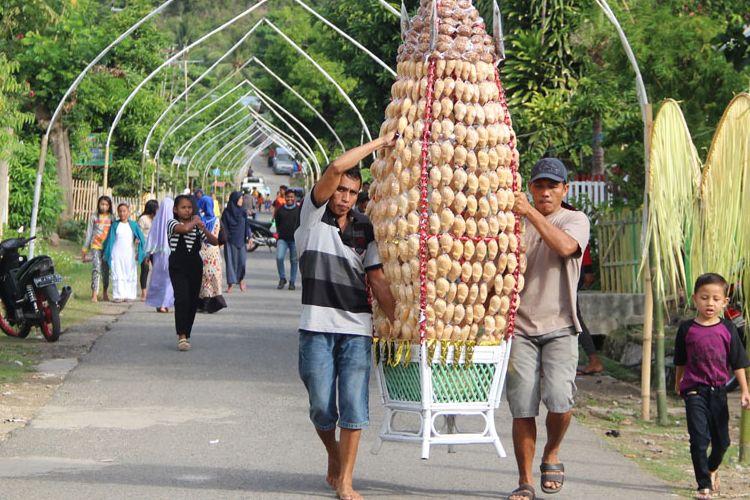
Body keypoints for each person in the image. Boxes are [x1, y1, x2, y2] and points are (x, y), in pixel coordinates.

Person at [295, 132, 397, 500]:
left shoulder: (364, 227)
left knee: (353, 405)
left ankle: (346, 480)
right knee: (322, 406)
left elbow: (377, 279)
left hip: (356, 329)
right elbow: (337, 165)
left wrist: (398, 322)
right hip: (316, 328)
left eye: (352, 193)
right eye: (341, 190)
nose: (345, 198)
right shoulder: (312, 215)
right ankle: (333, 456)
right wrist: (381, 142)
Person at [505, 157, 590, 500]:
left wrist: (530, 214)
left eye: (552, 186)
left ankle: (552, 451)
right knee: (523, 406)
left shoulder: (575, 219)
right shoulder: (515, 222)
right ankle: (525, 481)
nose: (545, 192)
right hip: (520, 328)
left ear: (564, 189)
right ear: (530, 188)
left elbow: (567, 248)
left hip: (561, 325)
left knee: (559, 399)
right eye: (538, 186)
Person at [674, 273, 750, 500]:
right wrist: (679, 383)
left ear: (725, 302)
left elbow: (738, 362)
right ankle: (703, 485)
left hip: (719, 391)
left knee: (722, 442)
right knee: (698, 439)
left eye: (716, 298)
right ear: (694, 298)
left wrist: (745, 390)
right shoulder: (687, 329)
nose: (710, 303)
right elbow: (680, 360)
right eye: (704, 297)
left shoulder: (728, 329)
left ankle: (712, 467)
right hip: (694, 390)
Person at [167, 194, 219, 351]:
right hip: (177, 265)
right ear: (175, 209)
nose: (187, 210)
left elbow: (214, 241)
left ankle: (187, 333)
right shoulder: (172, 223)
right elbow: (183, 229)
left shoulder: (196, 226)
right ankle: (181, 335)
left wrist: (203, 228)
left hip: (195, 266)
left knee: (192, 301)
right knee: (181, 298)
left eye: (189, 207)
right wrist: (195, 222)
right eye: (183, 207)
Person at [103, 203, 147, 303]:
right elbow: (110, 239)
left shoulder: (134, 225)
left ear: (129, 212)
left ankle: (130, 295)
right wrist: (107, 252)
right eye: (120, 211)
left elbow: (139, 238)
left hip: (129, 253)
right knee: (117, 271)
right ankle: (118, 295)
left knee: (129, 272)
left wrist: (137, 242)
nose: (122, 213)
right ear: (118, 213)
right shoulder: (115, 225)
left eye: (124, 211)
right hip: (117, 253)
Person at [196, 194, 226, 313]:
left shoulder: (198, 220)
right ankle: (211, 304)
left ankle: (200, 304)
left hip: (200, 253)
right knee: (213, 278)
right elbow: (223, 238)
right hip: (213, 254)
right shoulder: (217, 221)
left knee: (201, 279)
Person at [82, 195, 114, 303]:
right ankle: (94, 294)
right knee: (96, 269)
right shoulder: (94, 217)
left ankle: (105, 292)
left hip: (107, 248)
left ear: (109, 206)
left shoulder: (112, 218)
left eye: (106, 205)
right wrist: (85, 249)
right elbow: (89, 233)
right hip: (95, 246)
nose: (104, 207)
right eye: (102, 204)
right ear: (98, 204)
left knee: (106, 271)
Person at [145, 197, 175, 314]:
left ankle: (159, 303)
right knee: (169, 280)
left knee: (158, 279)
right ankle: (164, 304)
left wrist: (148, 254)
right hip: (171, 254)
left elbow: (151, 240)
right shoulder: (174, 221)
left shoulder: (156, 221)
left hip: (158, 256)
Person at [221, 191, 251, 293]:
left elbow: (247, 225)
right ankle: (230, 284)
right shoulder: (226, 212)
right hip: (229, 241)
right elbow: (223, 227)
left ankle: (240, 279)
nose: (242, 200)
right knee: (230, 263)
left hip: (241, 240)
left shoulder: (243, 212)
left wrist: (249, 237)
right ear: (234, 199)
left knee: (242, 262)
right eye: (240, 198)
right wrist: (222, 240)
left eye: (242, 198)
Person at [274, 190, 301, 290]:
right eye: (288, 197)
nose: (290, 199)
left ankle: (292, 282)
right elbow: (277, 224)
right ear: (284, 197)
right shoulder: (280, 210)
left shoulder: (299, 210)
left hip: (295, 240)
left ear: (294, 198)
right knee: (279, 257)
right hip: (282, 239)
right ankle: (282, 278)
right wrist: (278, 234)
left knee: (294, 261)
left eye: (292, 197)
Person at [138, 199, 158, 301]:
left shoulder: (157, 219)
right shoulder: (143, 219)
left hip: (156, 248)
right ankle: (144, 292)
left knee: (157, 270)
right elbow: (138, 233)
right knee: (145, 269)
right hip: (145, 248)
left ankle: (155, 291)